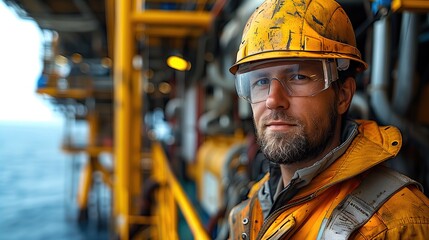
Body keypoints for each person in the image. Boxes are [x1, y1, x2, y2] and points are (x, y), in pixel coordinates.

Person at [227, 0, 429, 239]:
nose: (273, 100)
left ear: (343, 95)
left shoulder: (396, 223)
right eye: (260, 82)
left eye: (298, 77)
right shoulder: (256, 203)